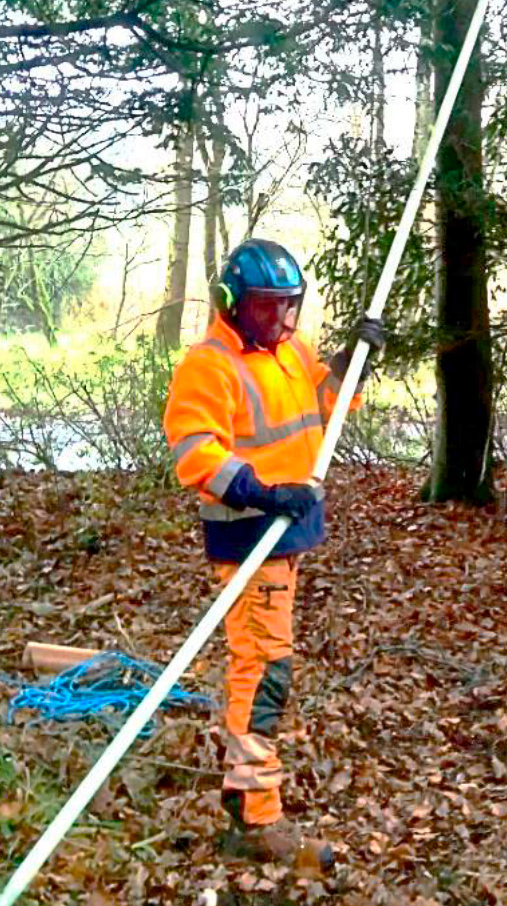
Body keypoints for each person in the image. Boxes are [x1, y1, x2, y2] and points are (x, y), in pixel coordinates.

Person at [164, 238, 384, 869]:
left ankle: (247, 799)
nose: (281, 320)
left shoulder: (292, 352)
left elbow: (326, 402)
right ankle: (255, 818)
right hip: (249, 538)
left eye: (289, 306)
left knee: (264, 666)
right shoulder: (209, 367)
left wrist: (354, 364)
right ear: (234, 306)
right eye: (267, 309)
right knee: (261, 670)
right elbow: (196, 452)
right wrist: (261, 492)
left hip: (286, 534)